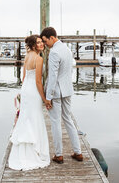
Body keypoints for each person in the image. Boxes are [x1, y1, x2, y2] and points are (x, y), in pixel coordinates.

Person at [40, 27, 83, 164]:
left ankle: (59, 155)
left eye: (46, 41)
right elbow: (69, 70)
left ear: (52, 37)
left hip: (56, 92)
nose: (45, 44)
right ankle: (78, 152)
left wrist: (48, 97)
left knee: (55, 122)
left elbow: (52, 77)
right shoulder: (67, 49)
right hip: (67, 89)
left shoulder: (54, 53)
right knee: (68, 120)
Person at [8, 35, 50, 170]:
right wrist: (45, 99)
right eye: (38, 43)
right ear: (33, 45)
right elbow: (38, 82)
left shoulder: (27, 56)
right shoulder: (38, 59)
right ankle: (35, 150)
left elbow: (24, 77)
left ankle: (26, 149)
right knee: (35, 117)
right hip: (33, 91)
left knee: (26, 118)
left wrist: (23, 92)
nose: (41, 44)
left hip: (26, 89)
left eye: (41, 42)